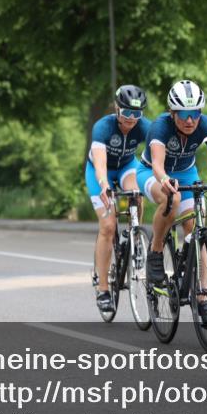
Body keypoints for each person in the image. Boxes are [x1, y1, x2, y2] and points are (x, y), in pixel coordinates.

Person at [135, 80, 207, 327]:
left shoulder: (206, 125)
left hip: (186, 173)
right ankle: (156, 251)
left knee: (198, 223)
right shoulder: (160, 127)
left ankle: (203, 297)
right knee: (172, 200)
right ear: (172, 113)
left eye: (195, 114)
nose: (190, 120)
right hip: (151, 172)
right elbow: (159, 166)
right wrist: (164, 180)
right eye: (183, 114)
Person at [87, 84, 151, 314]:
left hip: (126, 166)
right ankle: (103, 289)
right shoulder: (103, 127)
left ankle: (137, 233)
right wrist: (104, 184)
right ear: (117, 109)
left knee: (136, 192)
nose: (132, 119)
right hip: (100, 172)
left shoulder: (144, 126)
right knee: (107, 225)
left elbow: (156, 153)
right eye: (127, 113)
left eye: (137, 114)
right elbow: (100, 163)